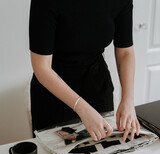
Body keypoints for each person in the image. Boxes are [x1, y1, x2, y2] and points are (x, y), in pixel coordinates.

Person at [29, 0, 140, 142]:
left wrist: (128, 100)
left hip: (97, 86)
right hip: (54, 93)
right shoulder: (45, 3)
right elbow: (42, 68)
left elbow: (125, 52)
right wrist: (82, 108)